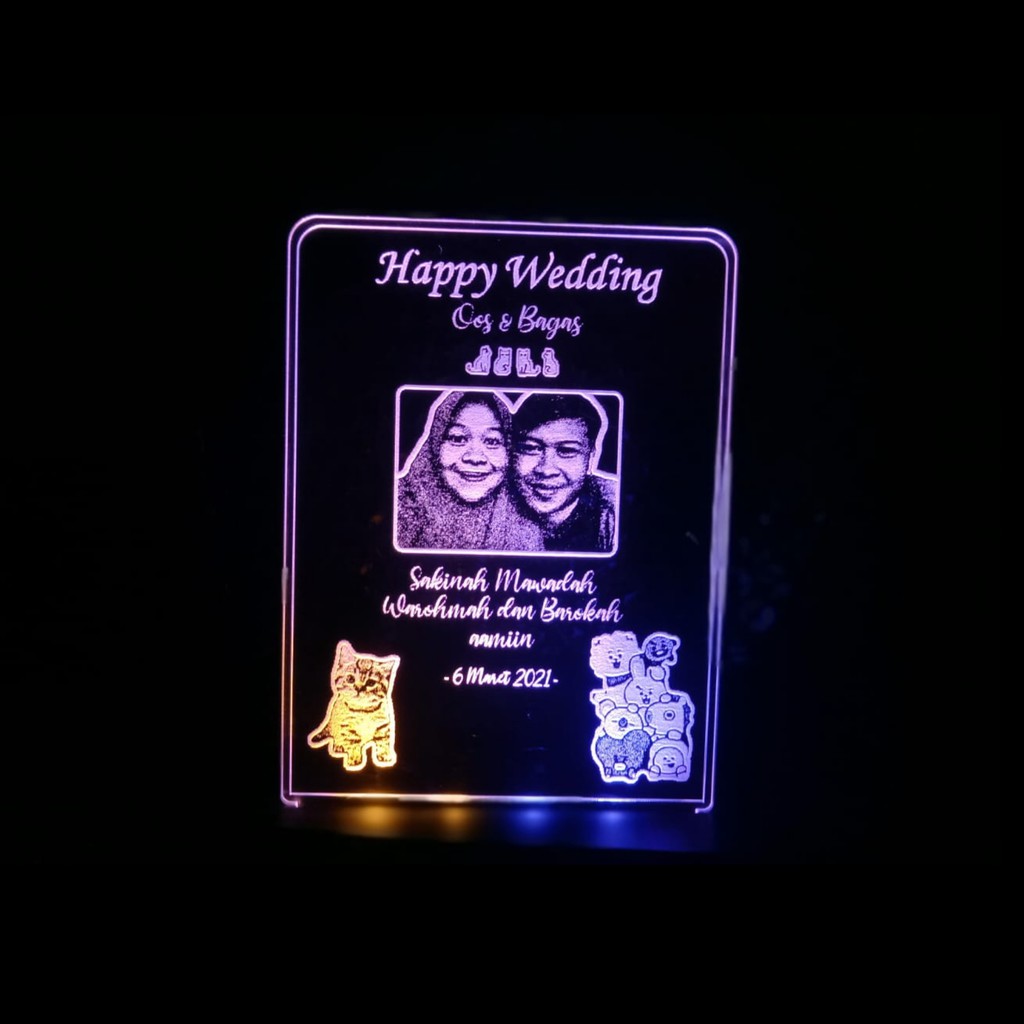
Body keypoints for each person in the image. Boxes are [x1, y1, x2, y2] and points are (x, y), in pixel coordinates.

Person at [396, 391, 543, 551]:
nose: (475, 457)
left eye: (492, 441)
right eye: (458, 439)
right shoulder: (401, 507)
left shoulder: (526, 531)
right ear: (435, 444)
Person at [511, 393, 617, 552]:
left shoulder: (613, 509)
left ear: (591, 458)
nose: (546, 470)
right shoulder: (493, 498)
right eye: (531, 448)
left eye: (566, 451)